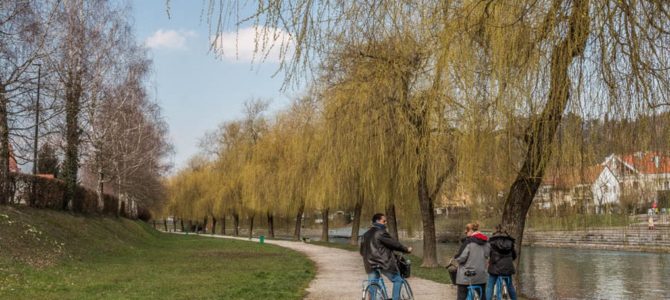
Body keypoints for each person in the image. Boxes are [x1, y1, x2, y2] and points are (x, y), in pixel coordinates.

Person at [360, 213, 413, 300]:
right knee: (398, 280)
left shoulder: (365, 235)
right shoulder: (381, 232)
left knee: (373, 285)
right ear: (377, 221)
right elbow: (394, 244)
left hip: (369, 264)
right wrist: (406, 249)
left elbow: (362, 252)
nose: (386, 222)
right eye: (384, 221)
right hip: (383, 263)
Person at [454, 222, 490, 300]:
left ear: (470, 231)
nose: (466, 234)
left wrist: (455, 257)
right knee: (482, 296)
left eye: (466, 232)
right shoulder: (486, 242)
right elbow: (487, 255)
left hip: (467, 276)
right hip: (481, 275)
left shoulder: (468, 242)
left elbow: (461, 258)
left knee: (462, 295)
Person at [486, 224, 518, 300]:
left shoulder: (492, 241)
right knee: (510, 286)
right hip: (507, 268)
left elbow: (488, 254)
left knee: (490, 285)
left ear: (496, 230)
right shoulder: (510, 242)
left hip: (495, 268)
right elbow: (514, 256)